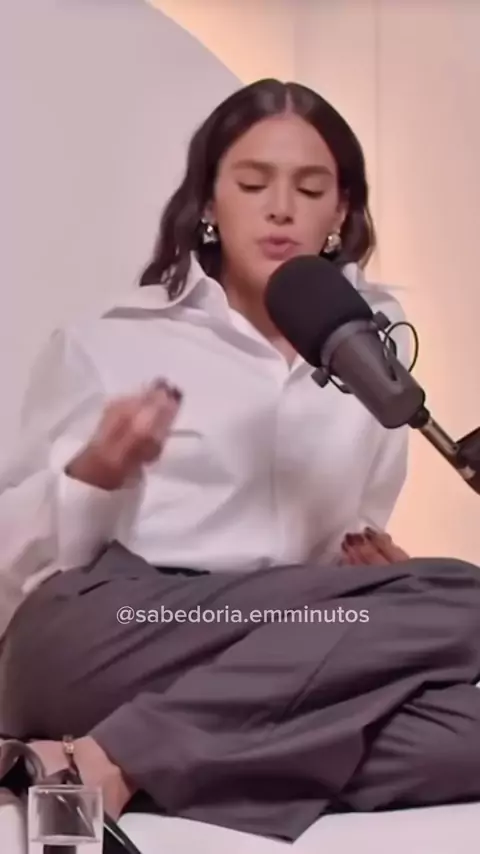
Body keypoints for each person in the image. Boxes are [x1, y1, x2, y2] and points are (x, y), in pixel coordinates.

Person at [1, 78, 480, 843]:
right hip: (117, 626)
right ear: (208, 204)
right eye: (254, 184)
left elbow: (345, 544)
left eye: (310, 189)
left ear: (341, 212)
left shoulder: (372, 347)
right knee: (464, 595)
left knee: (464, 728)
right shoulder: (111, 340)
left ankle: (100, 760)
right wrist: (93, 473)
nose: (281, 208)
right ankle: (121, 755)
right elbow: (10, 566)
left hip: (274, 645)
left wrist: (375, 581)